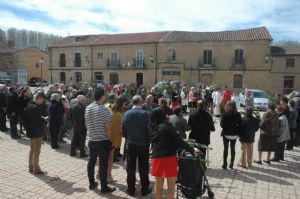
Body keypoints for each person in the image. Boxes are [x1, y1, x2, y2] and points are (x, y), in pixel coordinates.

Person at [150, 108, 194, 199]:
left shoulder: (153, 127)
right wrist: (192, 150)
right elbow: (179, 141)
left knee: (158, 185)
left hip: (156, 158)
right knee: (171, 186)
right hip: (169, 158)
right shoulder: (168, 126)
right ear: (163, 116)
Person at [85, 88, 116, 193]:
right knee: (103, 164)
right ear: (102, 96)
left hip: (91, 139)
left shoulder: (88, 108)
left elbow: (86, 124)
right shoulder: (105, 110)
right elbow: (109, 128)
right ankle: (104, 187)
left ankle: (91, 183)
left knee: (91, 161)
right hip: (103, 141)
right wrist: (110, 140)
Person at [122, 95, 152, 197]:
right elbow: (150, 131)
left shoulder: (126, 114)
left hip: (130, 144)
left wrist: (129, 138)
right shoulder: (146, 114)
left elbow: (123, 131)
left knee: (131, 167)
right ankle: (144, 189)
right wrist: (149, 141)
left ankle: (131, 189)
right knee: (143, 167)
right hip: (143, 145)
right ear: (140, 102)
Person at [25, 92, 46, 175]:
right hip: (36, 132)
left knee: (32, 150)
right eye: (42, 100)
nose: (42, 102)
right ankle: (36, 169)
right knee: (36, 151)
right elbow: (37, 121)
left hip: (31, 131)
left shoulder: (29, 105)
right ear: (38, 98)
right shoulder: (35, 108)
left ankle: (31, 167)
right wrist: (44, 119)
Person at [107, 96, 126, 183]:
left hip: (106, 136)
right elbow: (119, 129)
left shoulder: (109, 108)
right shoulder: (118, 114)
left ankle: (99, 174)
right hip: (113, 138)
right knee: (110, 158)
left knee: (104, 157)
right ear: (121, 104)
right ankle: (109, 176)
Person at [220, 101, 241, 169]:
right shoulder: (238, 114)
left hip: (226, 134)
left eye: (227, 105)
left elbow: (221, 125)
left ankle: (225, 164)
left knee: (225, 149)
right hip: (234, 134)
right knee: (233, 148)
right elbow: (240, 124)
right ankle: (231, 164)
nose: (226, 106)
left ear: (230, 106)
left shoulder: (225, 114)